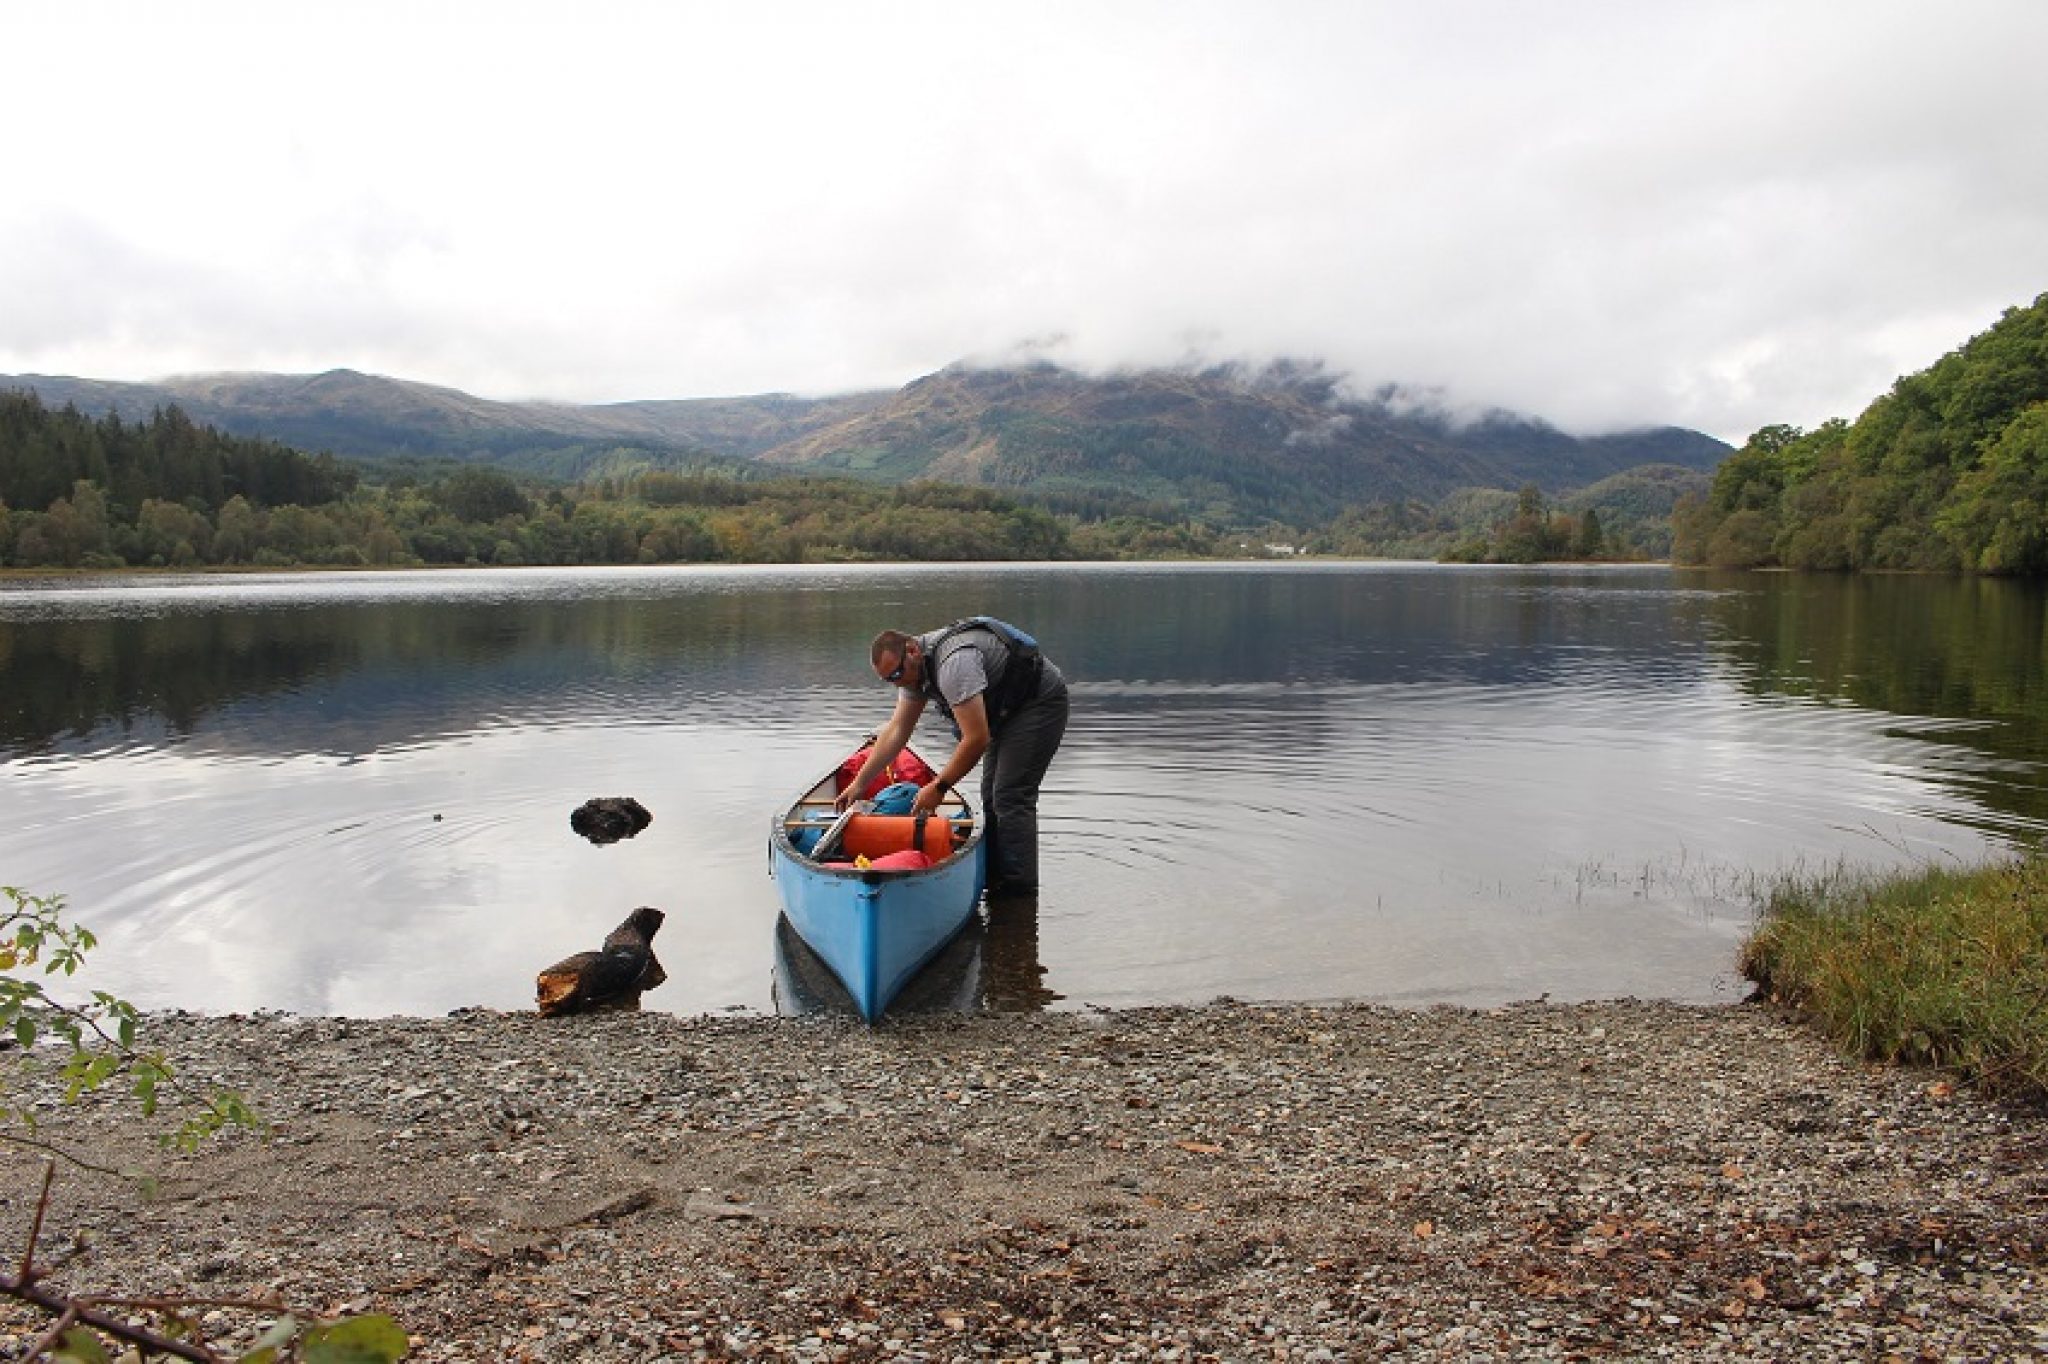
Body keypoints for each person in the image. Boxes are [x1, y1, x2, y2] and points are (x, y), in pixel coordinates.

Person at [835, 617, 1069, 898]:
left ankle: (1018, 894)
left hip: (1037, 703)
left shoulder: (954, 665)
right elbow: (897, 731)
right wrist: (860, 783)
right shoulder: (912, 672)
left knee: (1010, 795)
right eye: (889, 681)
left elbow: (976, 739)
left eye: (897, 675)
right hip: (1003, 711)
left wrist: (939, 787)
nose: (898, 683)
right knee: (991, 795)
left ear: (912, 650)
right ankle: (995, 877)